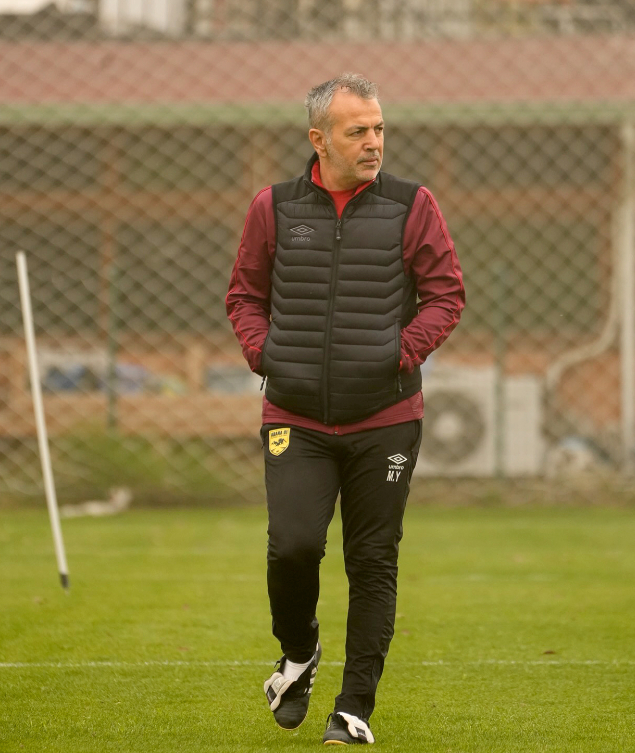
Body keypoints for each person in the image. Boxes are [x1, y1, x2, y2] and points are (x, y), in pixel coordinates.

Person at [226, 72, 464, 745]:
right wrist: (263, 353)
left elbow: (446, 295)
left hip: (386, 418)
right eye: (358, 131)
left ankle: (354, 706)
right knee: (293, 546)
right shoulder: (273, 207)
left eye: (379, 129)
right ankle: (298, 653)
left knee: (373, 559)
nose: (373, 142)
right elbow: (243, 295)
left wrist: (400, 353)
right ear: (319, 139)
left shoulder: (413, 205)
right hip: (295, 416)